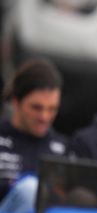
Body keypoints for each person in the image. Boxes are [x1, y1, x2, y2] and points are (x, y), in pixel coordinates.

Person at [0, 58, 67, 203]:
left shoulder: (63, 148)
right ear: (16, 102)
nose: (44, 117)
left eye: (52, 109)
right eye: (36, 108)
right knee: (29, 190)